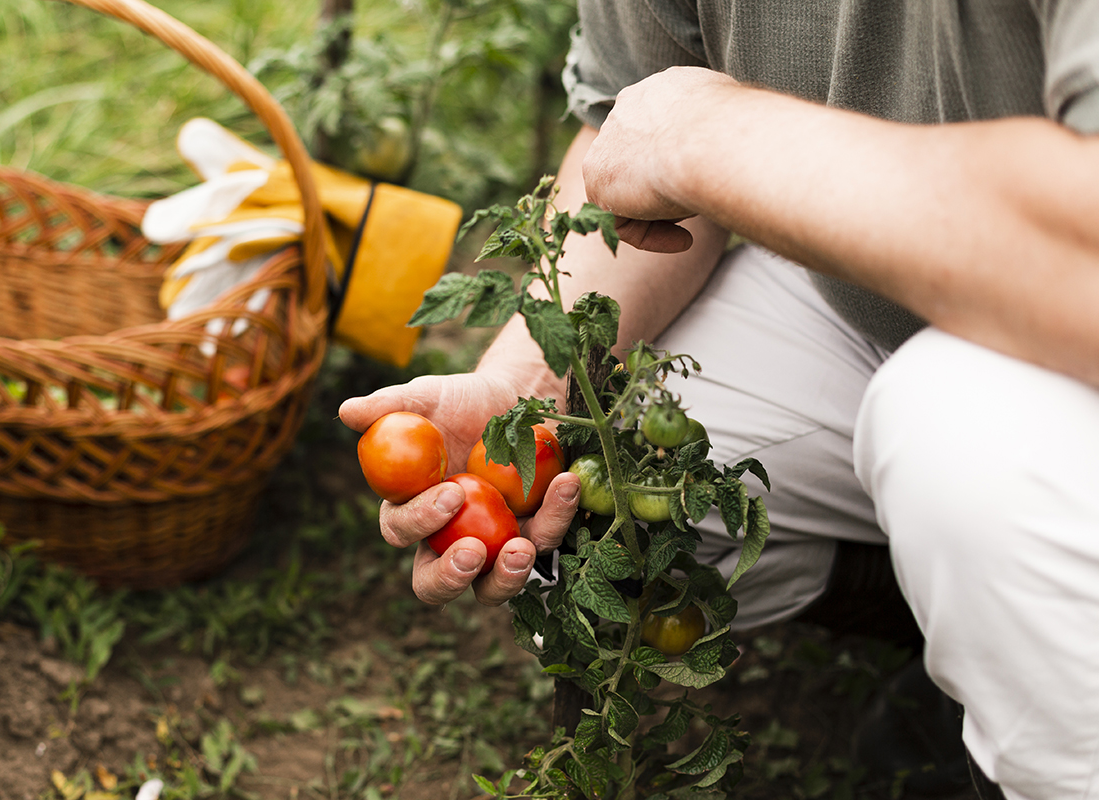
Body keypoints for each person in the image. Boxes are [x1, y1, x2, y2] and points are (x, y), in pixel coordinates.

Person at [339, 4, 1099, 800]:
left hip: (1066, 332)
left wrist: (706, 135)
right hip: (861, 295)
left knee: (960, 432)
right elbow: (632, 143)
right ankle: (972, 645)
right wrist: (523, 393)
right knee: (605, 503)